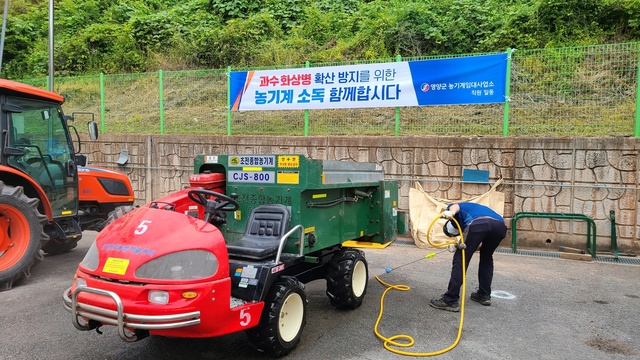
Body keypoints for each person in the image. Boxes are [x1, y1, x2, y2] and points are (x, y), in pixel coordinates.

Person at [429, 202, 507, 312]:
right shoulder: (474, 210)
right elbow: (478, 245)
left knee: (460, 259)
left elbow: (455, 206)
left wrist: (450, 212)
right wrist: (457, 247)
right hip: (499, 226)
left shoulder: (455, 212)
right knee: (486, 258)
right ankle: (484, 295)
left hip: (479, 223)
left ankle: (450, 300)